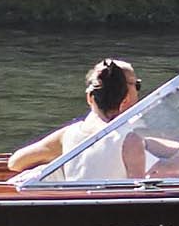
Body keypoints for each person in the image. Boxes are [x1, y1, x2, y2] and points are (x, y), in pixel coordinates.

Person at [8, 57, 141, 176]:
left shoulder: (69, 135)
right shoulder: (136, 136)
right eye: (137, 85)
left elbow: (15, 163)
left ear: (89, 98)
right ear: (126, 98)